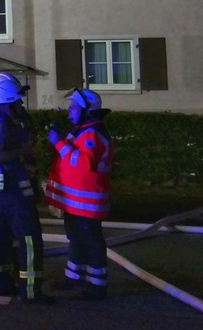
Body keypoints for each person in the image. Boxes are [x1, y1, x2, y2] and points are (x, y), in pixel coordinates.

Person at [0, 72, 52, 302]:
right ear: (9, 100)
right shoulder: (4, 122)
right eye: (18, 99)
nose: (21, 103)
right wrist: (25, 152)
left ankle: (1, 284)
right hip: (13, 189)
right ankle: (29, 292)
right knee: (29, 238)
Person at [45, 88, 114, 300]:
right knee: (76, 238)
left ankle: (97, 284)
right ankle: (74, 278)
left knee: (90, 240)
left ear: (86, 110)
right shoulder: (84, 130)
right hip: (77, 201)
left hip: (87, 201)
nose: (69, 111)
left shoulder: (92, 134)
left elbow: (83, 163)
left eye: (73, 107)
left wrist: (58, 142)